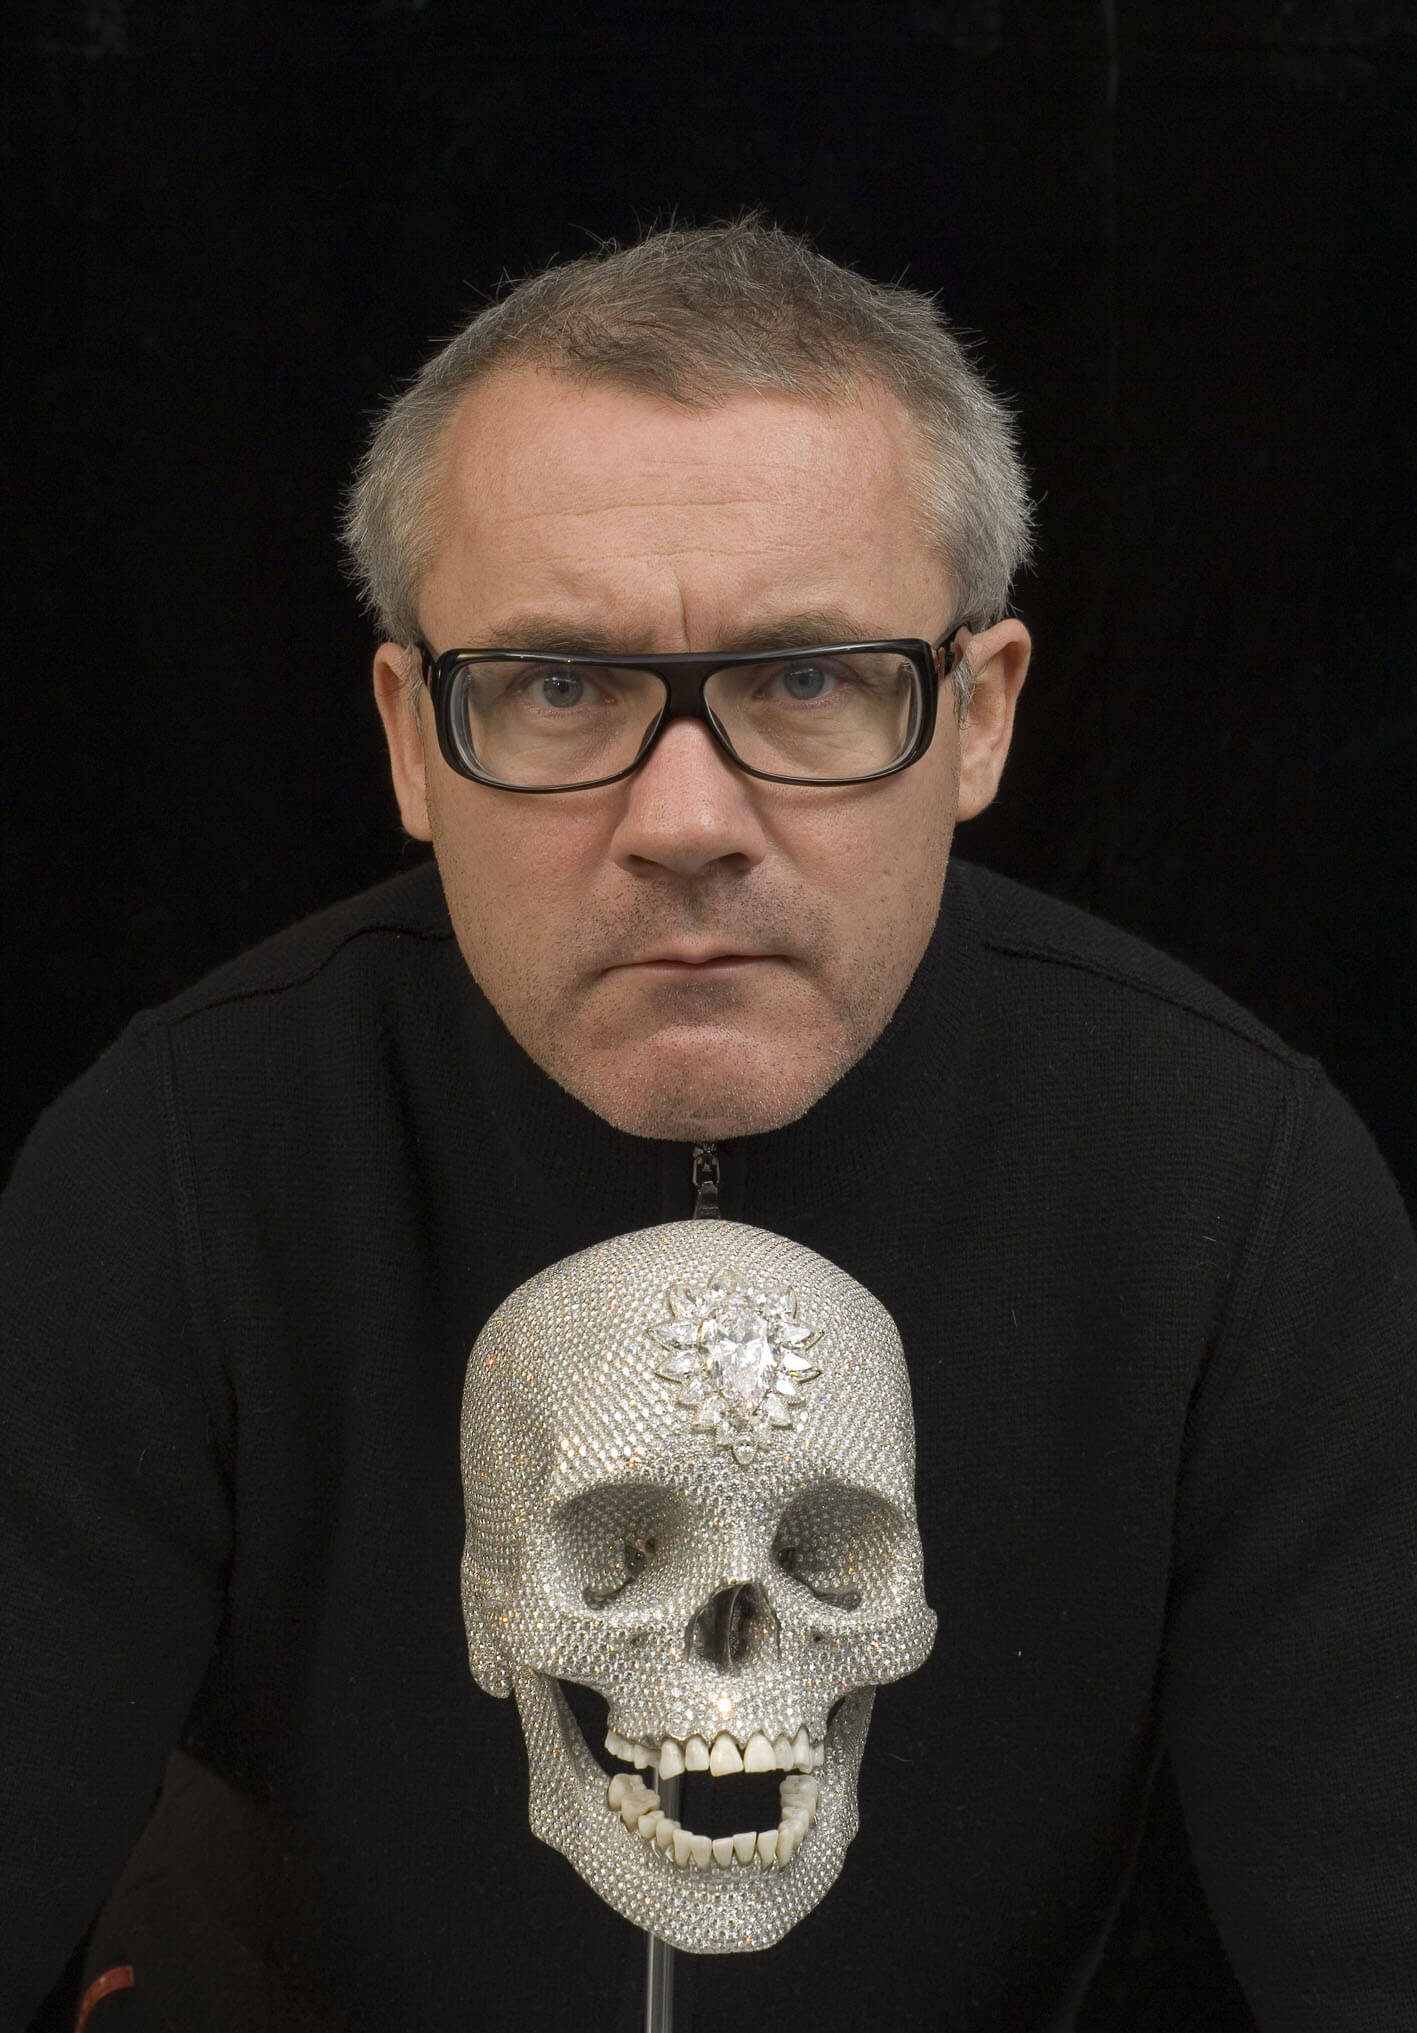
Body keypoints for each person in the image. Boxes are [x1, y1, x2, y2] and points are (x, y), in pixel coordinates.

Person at [2, 217, 1414, 2033]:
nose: (685, 820)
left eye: (808, 678)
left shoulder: (1232, 1198)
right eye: (559, 685)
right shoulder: (177, 1171)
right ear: (414, 738)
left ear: (977, 715)